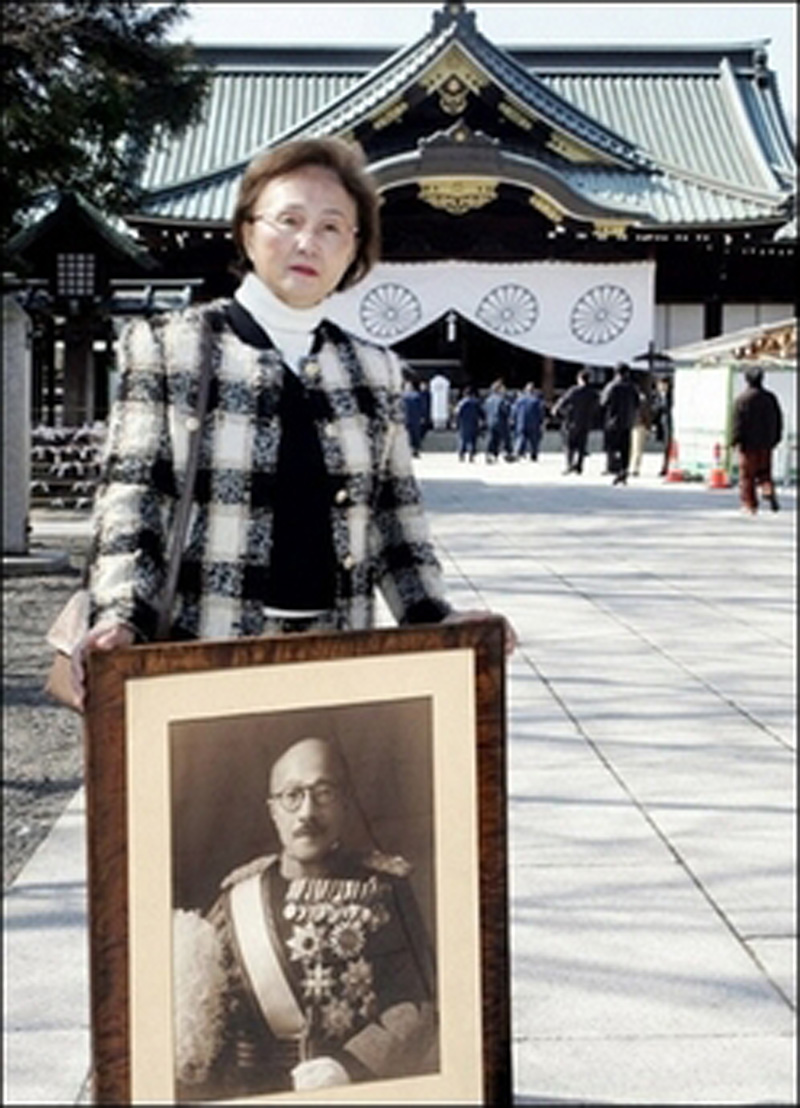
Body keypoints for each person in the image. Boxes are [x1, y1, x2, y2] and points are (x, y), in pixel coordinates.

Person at [71, 137, 514, 704]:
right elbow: (133, 499)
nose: (308, 241)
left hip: (337, 652)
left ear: (355, 249)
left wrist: (437, 617)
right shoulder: (171, 347)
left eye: (333, 227)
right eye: (289, 219)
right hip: (201, 646)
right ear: (247, 230)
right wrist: (120, 614)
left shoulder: (373, 368)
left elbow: (395, 519)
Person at [173, 736, 437, 1099]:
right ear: (273, 810)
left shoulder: (386, 890)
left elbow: (420, 1003)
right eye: (292, 795)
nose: (307, 813)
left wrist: (351, 1066)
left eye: (323, 793)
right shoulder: (236, 899)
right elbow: (206, 1018)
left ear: (344, 803)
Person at [730, 366, 783, 514]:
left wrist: (735, 441)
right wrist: (775, 438)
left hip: (748, 445)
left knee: (747, 476)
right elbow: (778, 420)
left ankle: (750, 505)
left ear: (747, 380)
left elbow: (737, 424)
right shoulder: (770, 398)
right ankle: (768, 489)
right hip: (766, 444)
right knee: (765, 472)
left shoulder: (742, 400)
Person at [551, 368, 598, 475]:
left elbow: (563, 401)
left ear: (580, 379)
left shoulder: (574, 390)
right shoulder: (593, 393)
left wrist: (556, 410)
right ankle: (579, 466)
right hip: (586, 423)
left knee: (569, 445)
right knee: (582, 446)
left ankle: (569, 465)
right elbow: (597, 406)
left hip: (572, 421)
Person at [600, 363, 640, 485]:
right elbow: (637, 403)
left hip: (613, 422)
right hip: (628, 422)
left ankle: (615, 470)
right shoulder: (633, 387)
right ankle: (624, 470)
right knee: (625, 448)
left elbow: (603, 402)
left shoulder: (611, 386)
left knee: (612, 447)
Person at [511, 382, 544, 461]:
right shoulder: (536, 400)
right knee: (534, 440)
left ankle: (517, 452)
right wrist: (541, 421)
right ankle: (534, 455)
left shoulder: (519, 400)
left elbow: (514, 411)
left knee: (520, 438)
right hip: (533, 423)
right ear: (533, 390)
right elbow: (540, 412)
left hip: (521, 422)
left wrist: (513, 419)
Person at [483, 378, 514, 463]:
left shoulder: (488, 400)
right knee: (506, 438)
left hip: (490, 421)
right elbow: (506, 410)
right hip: (501, 421)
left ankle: (490, 454)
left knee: (492, 438)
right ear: (499, 389)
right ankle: (508, 454)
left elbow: (485, 410)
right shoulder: (502, 399)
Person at [629, 377, 652, 477]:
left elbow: (645, 413)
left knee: (634, 448)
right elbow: (647, 413)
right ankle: (634, 467)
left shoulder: (635, 398)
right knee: (636, 448)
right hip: (638, 424)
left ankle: (633, 467)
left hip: (635, 424)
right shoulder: (642, 398)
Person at [454, 386, 483, 461]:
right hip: (474, 422)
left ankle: (461, 454)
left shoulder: (461, 403)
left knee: (463, 439)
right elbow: (481, 413)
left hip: (463, 423)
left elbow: (457, 413)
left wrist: (455, 422)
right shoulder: (476, 402)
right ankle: (471, 454)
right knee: (472, 439)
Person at [653, 375, 674, 477]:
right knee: (666, 447)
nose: (660, 386)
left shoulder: (671, 395)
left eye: (662, 384)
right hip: (663, 423)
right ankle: (665, 467)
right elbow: (656, 409)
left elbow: (667, 407)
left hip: (670, 423)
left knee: (668, 446)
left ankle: (666, 467)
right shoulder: (658, 395)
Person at [402, 376, 426, 457]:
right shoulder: (417, 395)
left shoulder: (404, 396)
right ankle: (415, 450)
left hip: (408, 418)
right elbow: (422, 407)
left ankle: (413, 450)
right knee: (414, 435)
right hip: (414, 418)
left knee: (410, 435)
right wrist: (422, 416)